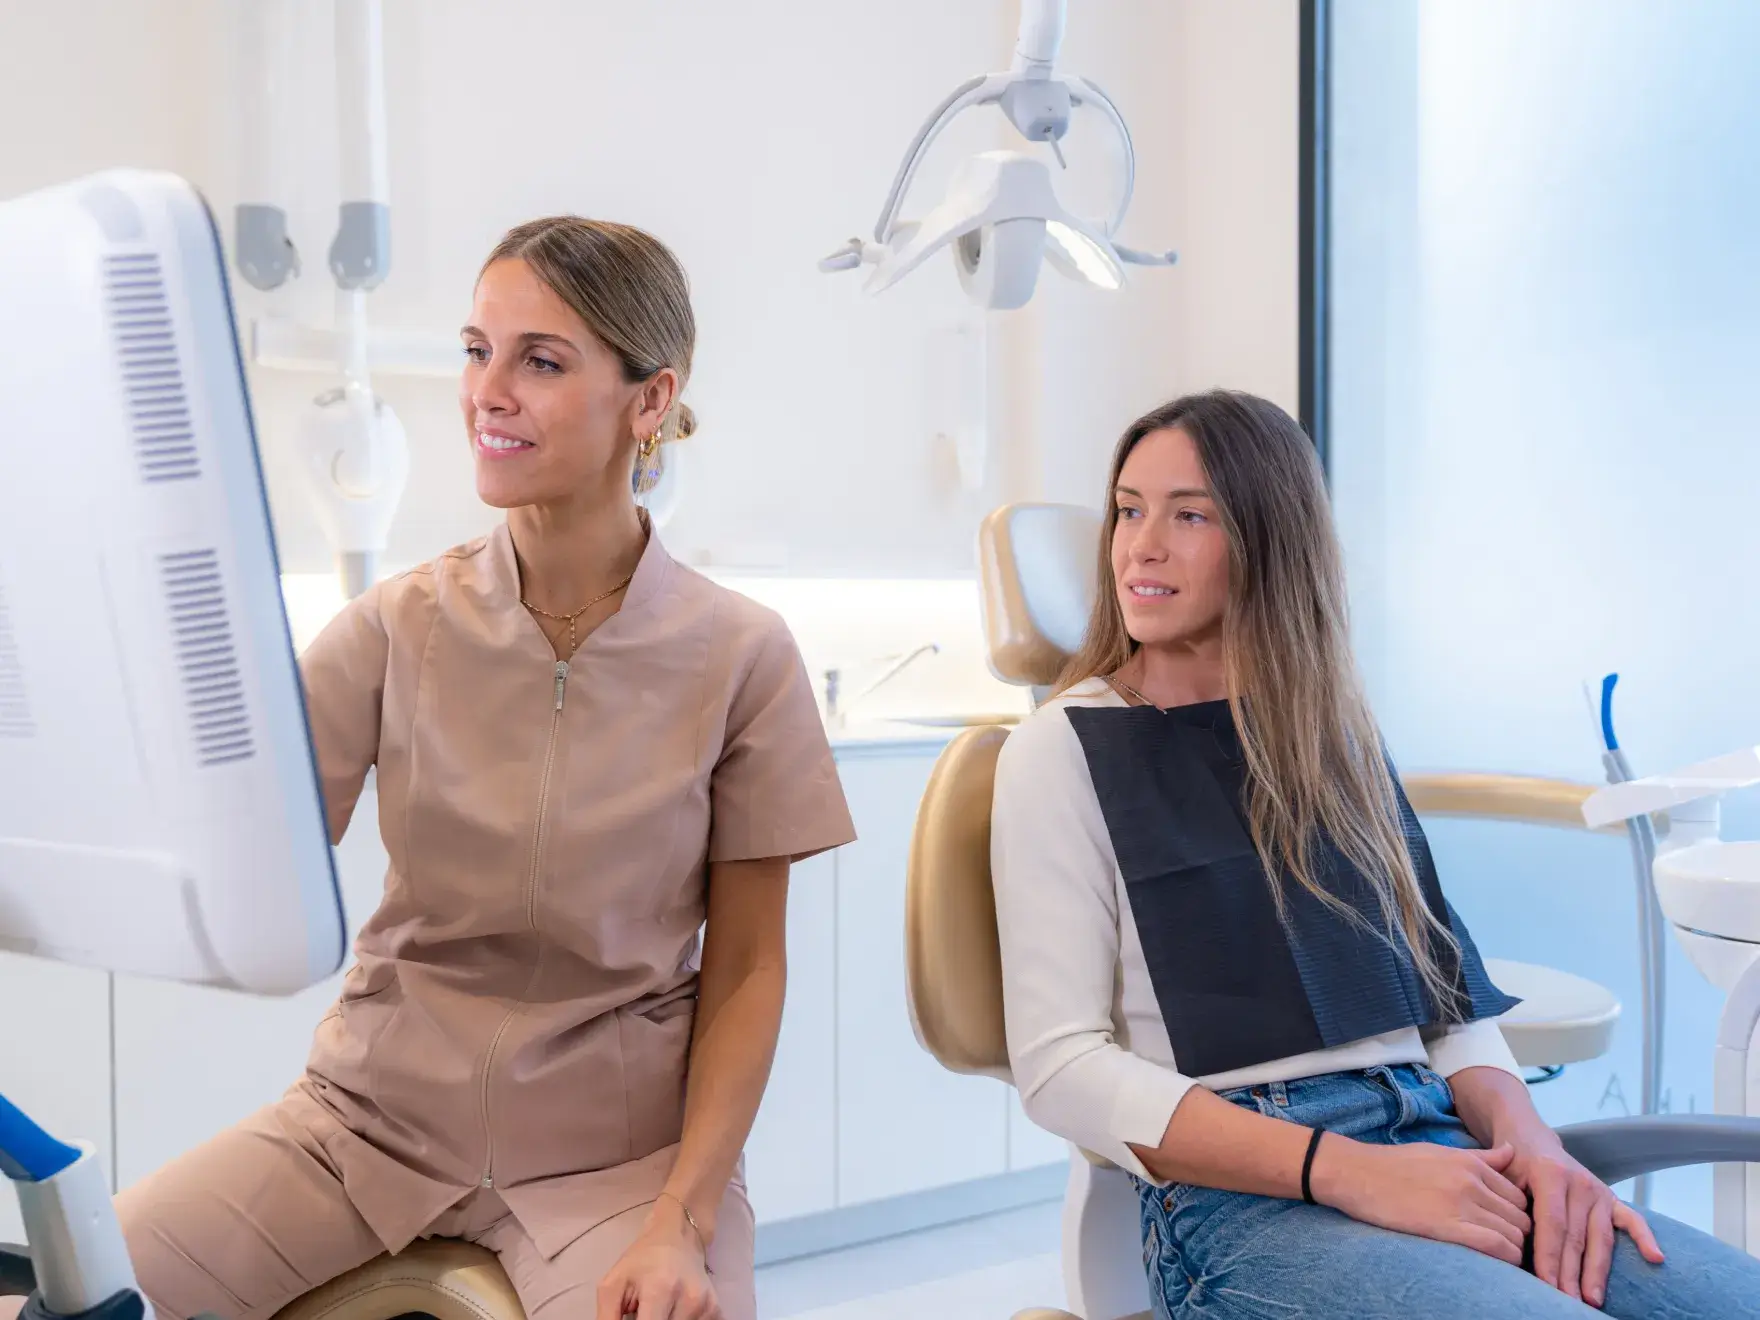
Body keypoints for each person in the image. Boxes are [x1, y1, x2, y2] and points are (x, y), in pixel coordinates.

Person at [104, 217, 855, 1320]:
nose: (485, 392)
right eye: (475, 350)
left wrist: (681, 1218)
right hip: (363, 1127)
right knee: (84, 1294)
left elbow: (745, 972)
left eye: (539, 361)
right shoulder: (399, 624)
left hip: (615, 1161)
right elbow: (242, 848)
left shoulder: (739, 656)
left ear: (648, 401)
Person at [989, 390, 1760, 1318]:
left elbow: (1446, 1004)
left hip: (1438, 1142)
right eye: (1128, 508)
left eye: (1188, 514)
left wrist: (1537, 1151)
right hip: (1246, 1201)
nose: (1140, 545)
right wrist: (1347, 1172)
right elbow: (1062, 1069)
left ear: (1271, 541)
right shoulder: (1064, 747)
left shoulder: (1336, 739)